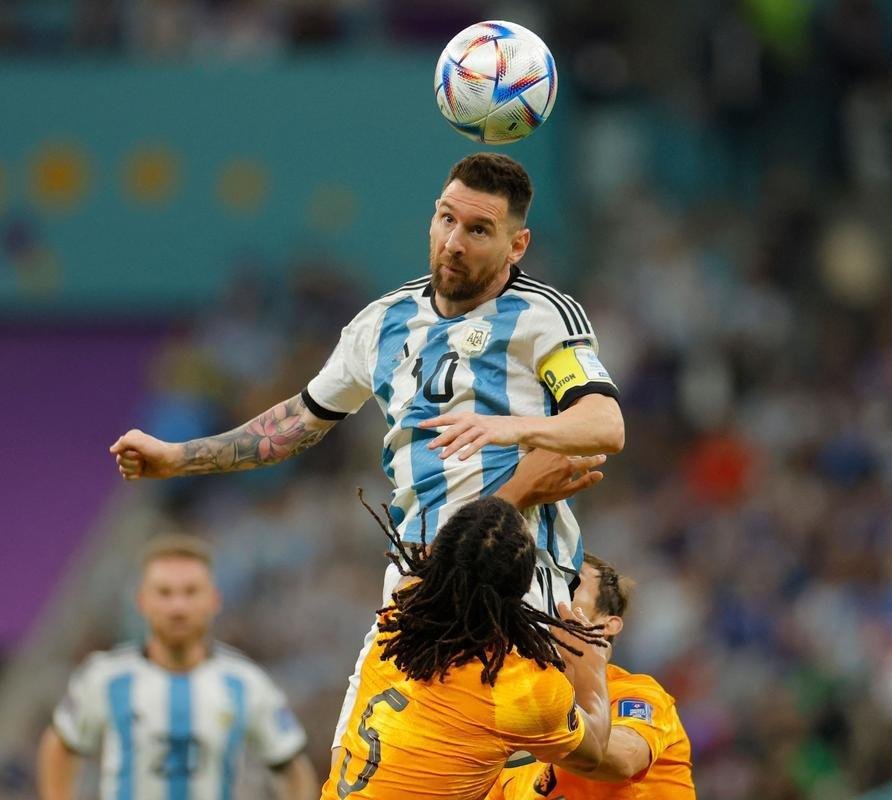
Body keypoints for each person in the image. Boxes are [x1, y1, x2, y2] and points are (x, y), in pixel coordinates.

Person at [110, 151, 624, 615]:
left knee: (513, 721)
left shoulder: (543, 316)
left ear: (517, 245)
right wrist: (178, 458)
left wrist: (509, 428)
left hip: (518, 578)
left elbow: (604, 423)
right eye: (447, 218)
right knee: (361, 726)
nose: (454, 242)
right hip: (414, 580)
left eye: (479, 230)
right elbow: (295, 423)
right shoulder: (381, 323)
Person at [321, 495, 614, 800]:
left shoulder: (402, 612)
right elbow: (593, 753)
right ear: (525, 589)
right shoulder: (521, 689)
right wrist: (592, 668)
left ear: (434, 556)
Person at [36, 535, 318, 800]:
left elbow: (291, 762)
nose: (178, 606)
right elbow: (60, 743)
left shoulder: (245, 682)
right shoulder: (105, 677)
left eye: (191, 592)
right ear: (142, 601)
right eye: (164, 593)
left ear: (213, 600)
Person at [486, 554, 696, 800]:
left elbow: (624, 759)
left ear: (607, 624)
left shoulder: (637, 694)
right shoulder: (512, 740)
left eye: (570, 581)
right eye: (543, 578)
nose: (548, 589)